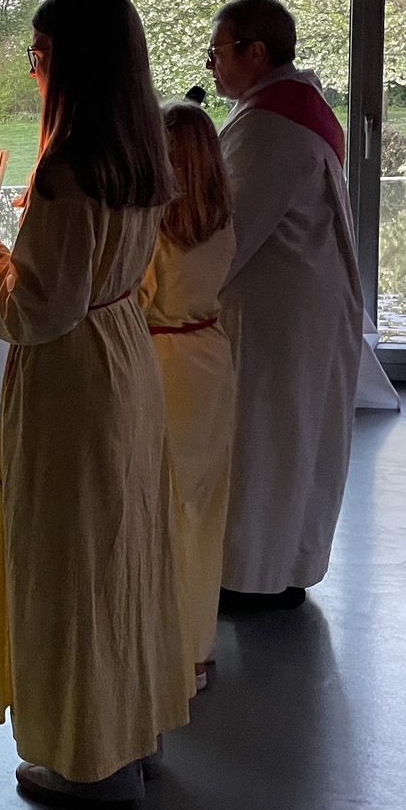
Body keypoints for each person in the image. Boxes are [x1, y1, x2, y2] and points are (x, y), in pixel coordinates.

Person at [0, 0, 189, 807]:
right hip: (123, 359)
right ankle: (132, 730)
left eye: (41, 54)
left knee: (69, 561)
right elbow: (95, 275)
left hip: (71, 383)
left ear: (77, 64)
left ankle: (87, 760)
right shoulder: (136, 156)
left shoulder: (65, 171)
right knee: (124, 551)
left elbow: (37, 310)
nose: (33, 70)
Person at [207, 0, 362, 610]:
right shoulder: (295, 106)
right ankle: (286, 565)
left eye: (218, 52)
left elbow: (228, 235)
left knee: (263, 440)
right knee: (297, 437)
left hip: (275, 320)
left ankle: (250, 578)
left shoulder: (269, 124)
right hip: (299, 307)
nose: (211, 64)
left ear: (256, 52)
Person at [139, 103, 236, 691]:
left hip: (164, 363)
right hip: (213, 360)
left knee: (166, 510)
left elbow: (136, 300)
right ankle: (199, 644)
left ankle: (170, 654)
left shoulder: (154, 229)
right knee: (205, 508)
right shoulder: (222, 222)